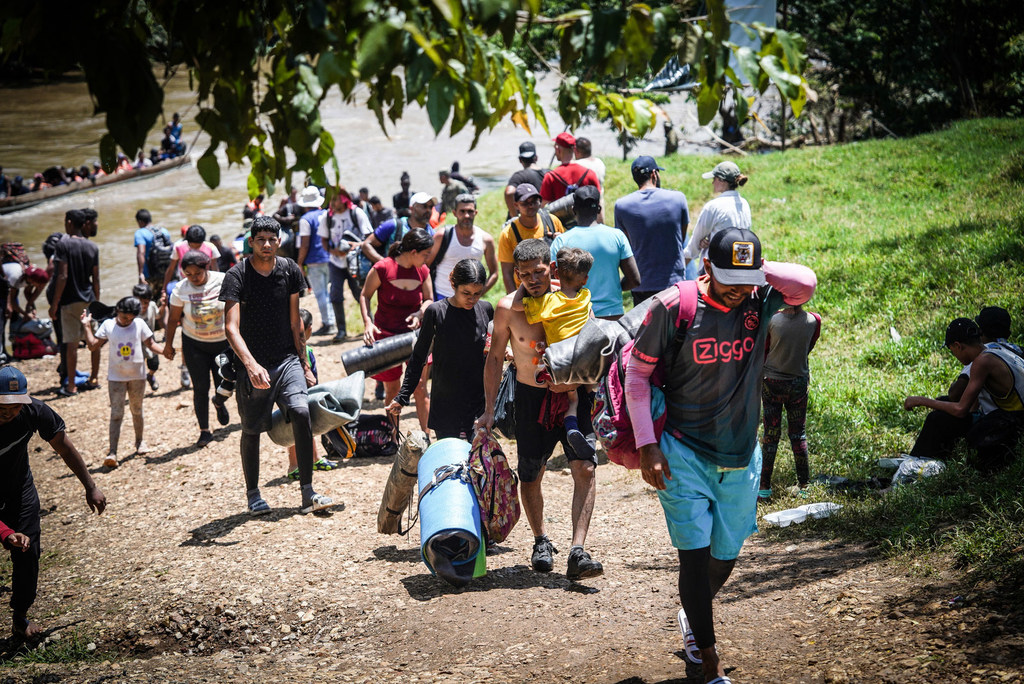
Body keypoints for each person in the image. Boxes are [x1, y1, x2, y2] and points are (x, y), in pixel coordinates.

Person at [623, 227, 816, 683]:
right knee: (693, 556)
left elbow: (805, 283)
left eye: (745, 282)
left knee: (726, 554)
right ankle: (709, 662)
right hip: (682, 451)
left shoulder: (758, 299)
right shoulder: (675, 306)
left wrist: (752, 273)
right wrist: (649, 445)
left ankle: (694, 613)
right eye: (728, 280)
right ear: (705, 267)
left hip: (740, 454)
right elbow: (636, 377)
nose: (738, 292)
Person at [476, 238, 603, 581]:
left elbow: (595, 345)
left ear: (552, 269)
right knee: (531, 476)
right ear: (516, 274)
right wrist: (488, 410)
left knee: (585, 469)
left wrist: (585, 386)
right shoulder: (506, 309)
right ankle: (540, 540)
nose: (534, 279)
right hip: (530, 398)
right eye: (526, 274)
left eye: (540, 271)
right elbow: (492, 360)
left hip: (574, 396)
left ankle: (578, 550)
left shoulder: (573, 299)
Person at [220, 216, 334, 515]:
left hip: (286, 360)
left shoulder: (290, 270)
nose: (267, 245)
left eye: (272, 239)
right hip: (252, 364)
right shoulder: (237, 275)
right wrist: (250, 365)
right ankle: (253, 494)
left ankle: (308, 491)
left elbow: (296, 321)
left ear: (279, 241)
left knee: (300, 410)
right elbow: (231, 328)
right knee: (252, 428)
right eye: (261, 240)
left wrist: (304, 362)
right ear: (251, 242)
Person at [0, 365, 106, 640]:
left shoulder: (34, 412)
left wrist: (90, 485)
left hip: (18, 489)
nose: (9, 411)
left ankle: (20, 617)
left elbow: (63, 446)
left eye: (15, 405)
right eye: (2, 405)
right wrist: (5, 532)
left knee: (28, 551)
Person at [387, 259, 493, 440]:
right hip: (447, 402)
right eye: (466, 293)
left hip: (478, 402)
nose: (472, 299)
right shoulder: (437, 312)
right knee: (450, 461)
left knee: (478, 461)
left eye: (477, 293)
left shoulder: (486, 310)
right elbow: (419, 356)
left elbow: (492, 353)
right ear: (453, 284)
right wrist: (402, 396)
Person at [904, 317, 1024, 472]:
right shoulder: (998, 349)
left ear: (957, 345)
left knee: (948, 422)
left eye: (951, 351)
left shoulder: (982, 361)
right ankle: (921, 460)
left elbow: (961, 409)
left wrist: (921, 400)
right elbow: (972, 404)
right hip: (1010, 414)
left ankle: (917, 466)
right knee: (945, 412)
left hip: (1016, 422)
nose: (954, 355)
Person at [516, 246, 596, 461]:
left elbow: (517, 306)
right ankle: (588, 420)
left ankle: (571, 429)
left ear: (554, 272)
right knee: (577, 398)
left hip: (558, 360)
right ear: (585, 279)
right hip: (580, 358)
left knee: (569, 398)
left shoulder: (549, 302)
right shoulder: (585, 297)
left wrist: (522, 283)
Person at [358, 229, 434, 432]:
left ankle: (426, 436)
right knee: (392, 388)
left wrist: (420, 314)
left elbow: (429, 299)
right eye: (425, 254)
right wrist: (368, 323)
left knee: (419, 387)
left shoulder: (423, 270)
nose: (427, 258)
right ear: (414, 251)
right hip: (386, 335)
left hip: (414, 338)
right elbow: (365, 295)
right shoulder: (383, 268)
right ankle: (394, 436)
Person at [82, 297, 164, 468]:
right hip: (116, 378)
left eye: (130, 318)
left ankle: (140, 442)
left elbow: (151, 344)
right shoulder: (108, 325)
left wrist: (166, 351)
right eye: (124, 316)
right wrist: (86, 325)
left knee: (137, 410)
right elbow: (92, 346)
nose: (127, 320)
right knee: (116, 414)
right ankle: (112, 452)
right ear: (117, 310)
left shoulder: (140, 324)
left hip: (137, 376)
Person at [163, 251, 231, 447]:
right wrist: (168, 344)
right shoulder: (180, 290)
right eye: (188, 274)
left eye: (197, 273)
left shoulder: (223, 281)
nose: (193, 278)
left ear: (207, 267)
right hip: (194, 344)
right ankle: (204, 431)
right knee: (200, 387)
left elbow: (238, 306)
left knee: (225, 383)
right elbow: (173, 319)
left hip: (223, 343)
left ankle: (219, 402)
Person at [759, 304, 821, 500]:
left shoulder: (771, 319)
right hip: (798, 383)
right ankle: (804, 486)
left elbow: (764, 349)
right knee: (798, 435)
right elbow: (808, 347)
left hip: (771, 382)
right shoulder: (814, 320)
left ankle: (764, 488)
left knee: (770, 434)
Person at [548, 186, 640, 319]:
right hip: (612, 316)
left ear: (573, 209)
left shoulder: (561, 241)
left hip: (575, 318)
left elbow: (552, 282)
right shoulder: (617, 236)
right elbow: (635, 280)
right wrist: (614, 287)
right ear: (599, 209)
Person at [614, 155, 690, 305]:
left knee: (645, 327)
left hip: (642, 284)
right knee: (674, 328)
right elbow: (681, 237)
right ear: (654, 174)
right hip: (673, 284)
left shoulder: (622, 206)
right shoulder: (678, 199)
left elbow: (625, 245)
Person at [48, 208, 101, 396]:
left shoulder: (63, 245)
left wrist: (54, 304)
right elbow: (95, 278)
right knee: (94, 340)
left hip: (69, 301)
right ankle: (94, 379)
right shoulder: (92, 247)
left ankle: (71, 386)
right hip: (88, 299)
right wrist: (97, 302)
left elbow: (62, 276)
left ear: (70, 222)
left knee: (70, 344)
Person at [286, 309, 339, 479]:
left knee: (309, 424)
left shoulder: (308, 350)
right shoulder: (287, 351)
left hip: (308, 393)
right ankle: (294, 465)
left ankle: (314, 458)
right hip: (291, 394)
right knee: (293, 426)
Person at [322, 186, 374, 342]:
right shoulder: (327, 217)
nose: (332, 202)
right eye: (331, 199)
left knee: (360, 294)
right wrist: (334, 252)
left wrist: (355, 246)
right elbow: (323, 240)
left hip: (355, 262)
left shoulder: (356, 213)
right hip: (336, 263)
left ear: (344, 199)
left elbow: (370, 237)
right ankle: (341, 331)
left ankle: (370, 325)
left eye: (335, 199)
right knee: (335, 294)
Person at [428, 194, 499, 300]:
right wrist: (428, 296)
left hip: (469, 303)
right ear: (454, 213)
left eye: (470, 211)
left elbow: (494, 273)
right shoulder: (442, 236)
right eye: (462, 211)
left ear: (476, 212)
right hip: (441, 297)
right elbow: (425, 267)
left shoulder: (485, 240)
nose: (466, 215)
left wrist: (477, 294)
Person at [684, 162, 751, 273]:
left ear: (721, 180)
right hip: (741, 264)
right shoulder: (744, 204)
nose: (712, 182)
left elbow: (695, 243)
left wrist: (680, 268)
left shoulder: (713, 206)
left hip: (716, 268)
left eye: (714, 178)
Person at [497, 183, 564, 293]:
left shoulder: (552, 221)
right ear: (516, 205)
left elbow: (564, 258)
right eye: (525, 203)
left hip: (554, 289)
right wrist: (513, 301)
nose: (531, 205)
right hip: (526, 292)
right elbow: (507, 273)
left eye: (534, 201)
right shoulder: (508, 234)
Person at [295, 186, 336, 336]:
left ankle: (328, 323)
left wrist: (299, 262)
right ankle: (333, 320)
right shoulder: (326, 214)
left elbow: (304, 244)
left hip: (314, 260)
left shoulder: (305, 220)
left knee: (320, 293)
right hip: (330, 257)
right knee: (329, 291)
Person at [363, 191, 434, 263]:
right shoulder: (394, 225)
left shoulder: (432, 234)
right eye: (424, 206)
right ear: (411, 208)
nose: (428, 210)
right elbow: (366, 245)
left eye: (430, 207)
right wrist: (385, 265)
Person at [539, 132, 601, 206]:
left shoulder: (550, 177)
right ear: (574, 149)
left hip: (559, 217)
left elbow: (544, 206)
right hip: (584, 217)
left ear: (557, 149)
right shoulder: (590, 174)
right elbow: (598, 202)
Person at [133, 209, 172, 300]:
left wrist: (141, 273)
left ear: (139, 221)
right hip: (166, 273)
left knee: (149, 300)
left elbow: (141, 252)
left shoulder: (140, 233)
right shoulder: (164, 231)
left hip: (150, 274)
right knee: (164, 298)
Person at [504, 141, 548, 218]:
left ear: (520, 160)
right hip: (547, 216)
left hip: (527, 219)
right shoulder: (550, 173)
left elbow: (509, 192)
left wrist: (514, 215)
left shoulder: (519, 176)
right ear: (536, 158)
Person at [132, 283, 162, 392]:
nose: (143, 306)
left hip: (150, 340)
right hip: (136, 343)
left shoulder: (152, 306)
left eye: (146, 303)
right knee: (138, 366)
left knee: (154, 365)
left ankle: (150, 376)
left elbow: (158, 315)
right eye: (140, 303)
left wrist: (163, 306)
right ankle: (138, 386)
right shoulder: (131, 311)